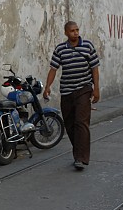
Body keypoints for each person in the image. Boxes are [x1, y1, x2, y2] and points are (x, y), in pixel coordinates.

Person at [43, 21, 100, 171]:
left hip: (84, 89)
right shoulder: (61, 49)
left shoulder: (87, 46)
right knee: (69, 124)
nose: (76, 33)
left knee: (81, 122)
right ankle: (79, 151)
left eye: (77, 30)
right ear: (66, 33)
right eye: (72, 31)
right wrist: (47, 86)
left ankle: (81, 158)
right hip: (67, 91)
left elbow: (94, 68)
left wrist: (96, 89)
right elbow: (53, 69)